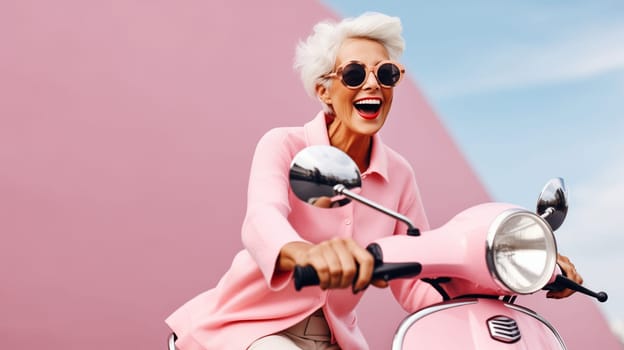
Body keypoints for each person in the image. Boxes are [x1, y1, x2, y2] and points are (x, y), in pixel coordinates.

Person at [165, 12, 582, 350]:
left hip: (339, 339)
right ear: (324, 90)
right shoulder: (285, 145)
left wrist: (518, 271)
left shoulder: (398, 173)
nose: (372, 84)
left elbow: (419, 273)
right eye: (353, 75)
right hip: (249, 327)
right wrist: (306, 254)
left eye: (386, 74)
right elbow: (261, 219)